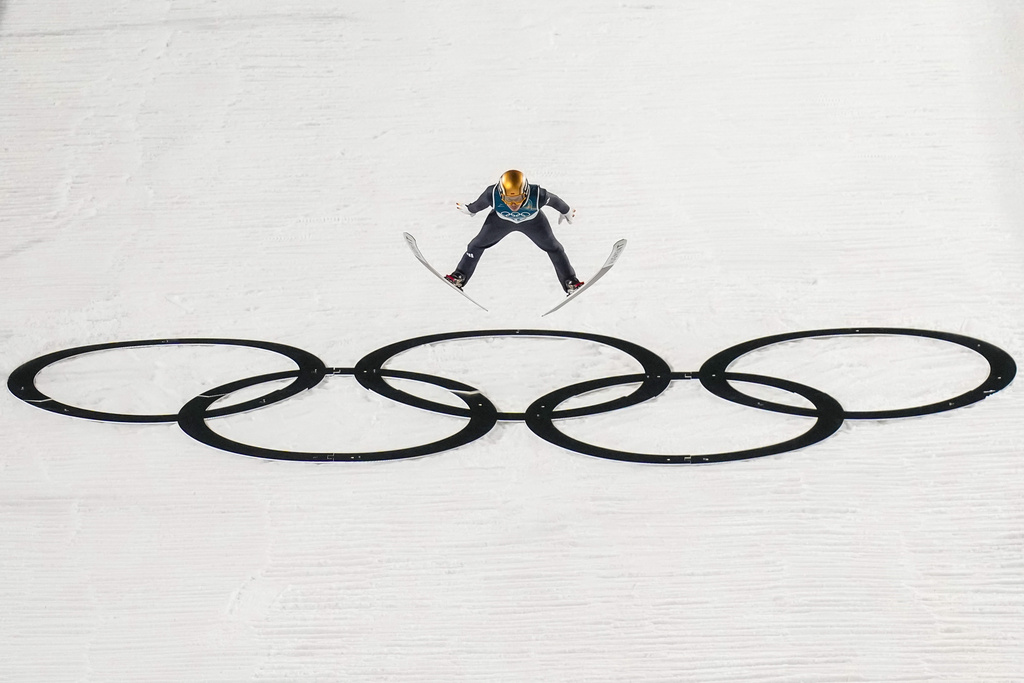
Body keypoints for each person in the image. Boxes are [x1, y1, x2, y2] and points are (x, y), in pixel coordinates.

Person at [445, 170, 583, 294]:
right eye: (507, 199)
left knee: (555, 248)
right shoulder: (492, 194)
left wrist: (567, 211)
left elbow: (556, 201)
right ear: (501, 194)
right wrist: (470, 209)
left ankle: (570, 282)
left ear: (526, 192)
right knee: (475, 245)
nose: (513, 204)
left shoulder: (538, 194)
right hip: (500, 222)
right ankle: (459, 276)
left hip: (533, 223)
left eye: (517, 198)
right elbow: (479, 204)